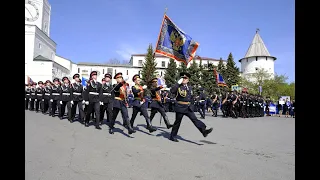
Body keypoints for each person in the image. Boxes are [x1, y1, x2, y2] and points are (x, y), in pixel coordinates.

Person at [169, 72, 213, 142]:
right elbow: (172, 91)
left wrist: (194, 101)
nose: (183, 79)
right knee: (177, 122)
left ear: (188, 80)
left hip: (188, 107)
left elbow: (190, 97)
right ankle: (172, 136)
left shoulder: (189, 87)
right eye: (182, 78)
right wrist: (177, 83)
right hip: (180, 106)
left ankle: (203, 131)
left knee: (194, 119)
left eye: (185, 78)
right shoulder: (178, 86)